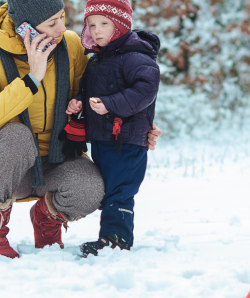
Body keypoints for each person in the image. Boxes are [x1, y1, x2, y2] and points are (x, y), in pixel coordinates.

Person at [0, 0, 162, 259]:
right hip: (8, 165)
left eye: (62, 17)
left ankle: (47, 219)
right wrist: (31, 78)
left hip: (58, 158)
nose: (62, 28)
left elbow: (97, 96)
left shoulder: (70, 45)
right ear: (26, 27)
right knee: (17, 136)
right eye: (51, 23)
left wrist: (135, 125)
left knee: (91, 188)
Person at [63, 0, 161, 256]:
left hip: (127, 140)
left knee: (120, 190)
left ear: (120, 25)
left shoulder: (136, 57)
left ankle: (116, 238)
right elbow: (93, 93)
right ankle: (109, 236)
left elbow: (145, 90)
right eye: (92, 24)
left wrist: (110, 104)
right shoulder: (97, 59)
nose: (97, 30)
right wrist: (80, 102)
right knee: (109, 190)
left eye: (104, 24)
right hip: (105, 140)